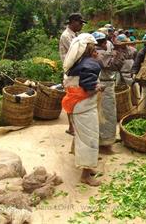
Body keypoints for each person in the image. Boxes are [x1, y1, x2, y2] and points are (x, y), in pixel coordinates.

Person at [62, 33, 104, 186]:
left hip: (77, 106)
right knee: (89, 139)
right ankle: (85, 175)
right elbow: (88, 89)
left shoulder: (77, 64)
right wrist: (99, 87)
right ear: (89, 50)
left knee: (82, 137)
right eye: (95, 50)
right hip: (84, 107)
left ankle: (88, 168)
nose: (97, 53)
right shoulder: (91, 65)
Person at [92, 31, 125, 155]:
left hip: (107, 85)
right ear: (102, 43)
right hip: (103, 87)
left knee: (108, 114)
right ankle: (104, 143)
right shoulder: (98, 54)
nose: (107, 44)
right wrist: (120, 51)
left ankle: (107, 140)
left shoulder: (102, 52)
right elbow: (114, 66)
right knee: (106, 115)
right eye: (105, 42)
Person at [59, 13, 87, 136]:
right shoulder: (66, 36)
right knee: (72, 99)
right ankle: (72, 127)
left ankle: (73, 126)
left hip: (76, 71)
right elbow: (76, 53)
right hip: (71, 72)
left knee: (76, 98)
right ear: (73, 22)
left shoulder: (75, 35)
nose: (81, 26)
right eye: (80, 23)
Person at [114, 34, 140, 105]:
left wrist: (135, 71)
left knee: (134, 87)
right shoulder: (116, 52)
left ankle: (135, 103)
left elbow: (136, 61)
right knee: (120, 89)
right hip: (120, 73)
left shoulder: (133, 50)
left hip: (131, 73)